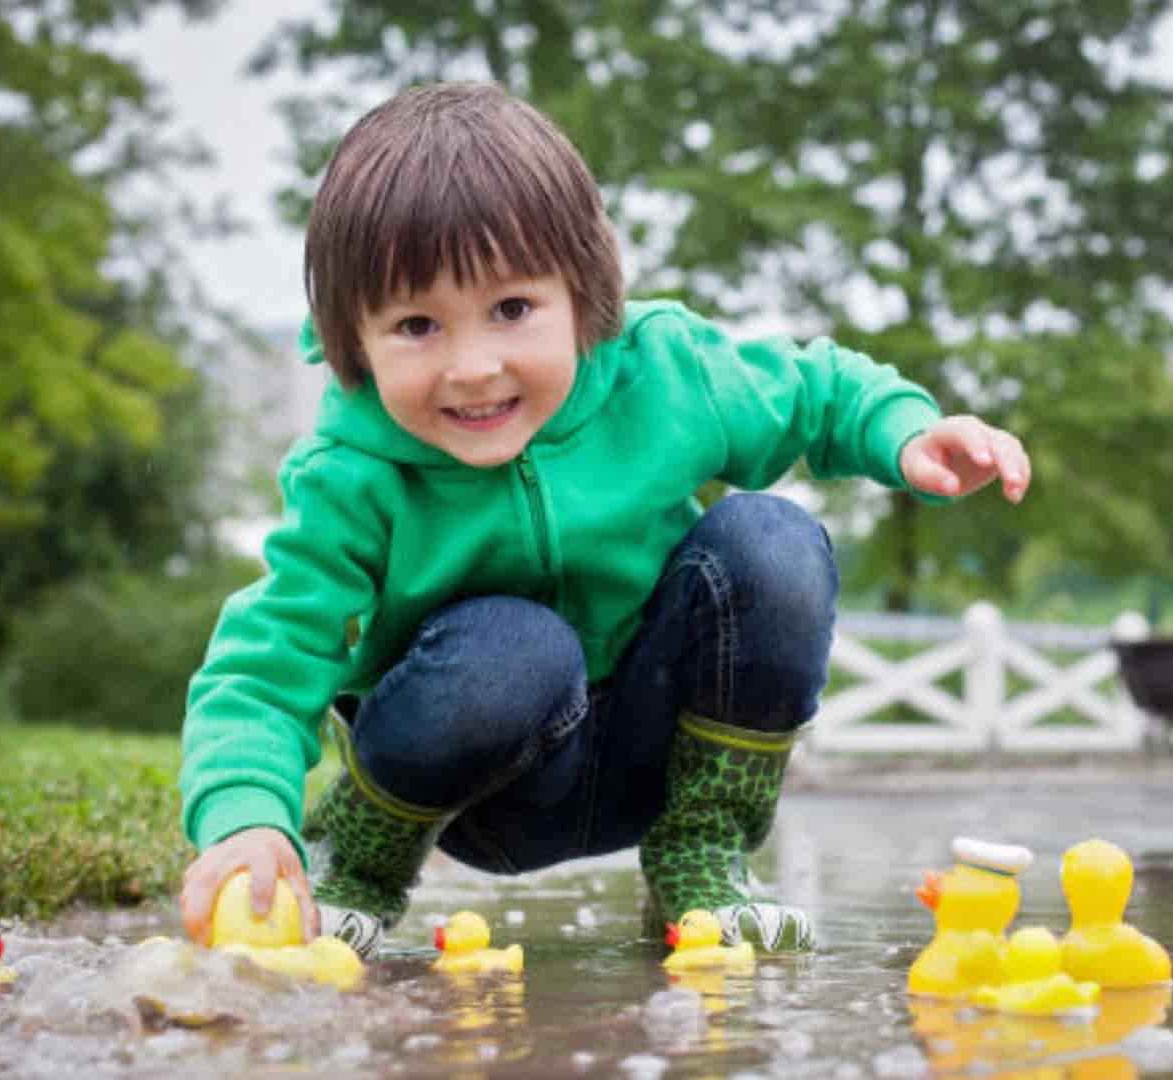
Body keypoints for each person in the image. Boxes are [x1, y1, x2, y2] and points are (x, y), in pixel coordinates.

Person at [176, 81, 1032, 959]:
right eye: (417, 324)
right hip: (478, 785)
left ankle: (703, 854)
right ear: (351, 338)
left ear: (585, 293)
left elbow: (812, 389)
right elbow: (262, 666)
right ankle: (358, 861)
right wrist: (244, 817)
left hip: (649, 754)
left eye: (512, 309)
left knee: (773, 541)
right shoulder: (351, 477)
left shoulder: (663, 371)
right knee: (513, 643)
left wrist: (908, 431)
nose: (472, 367)